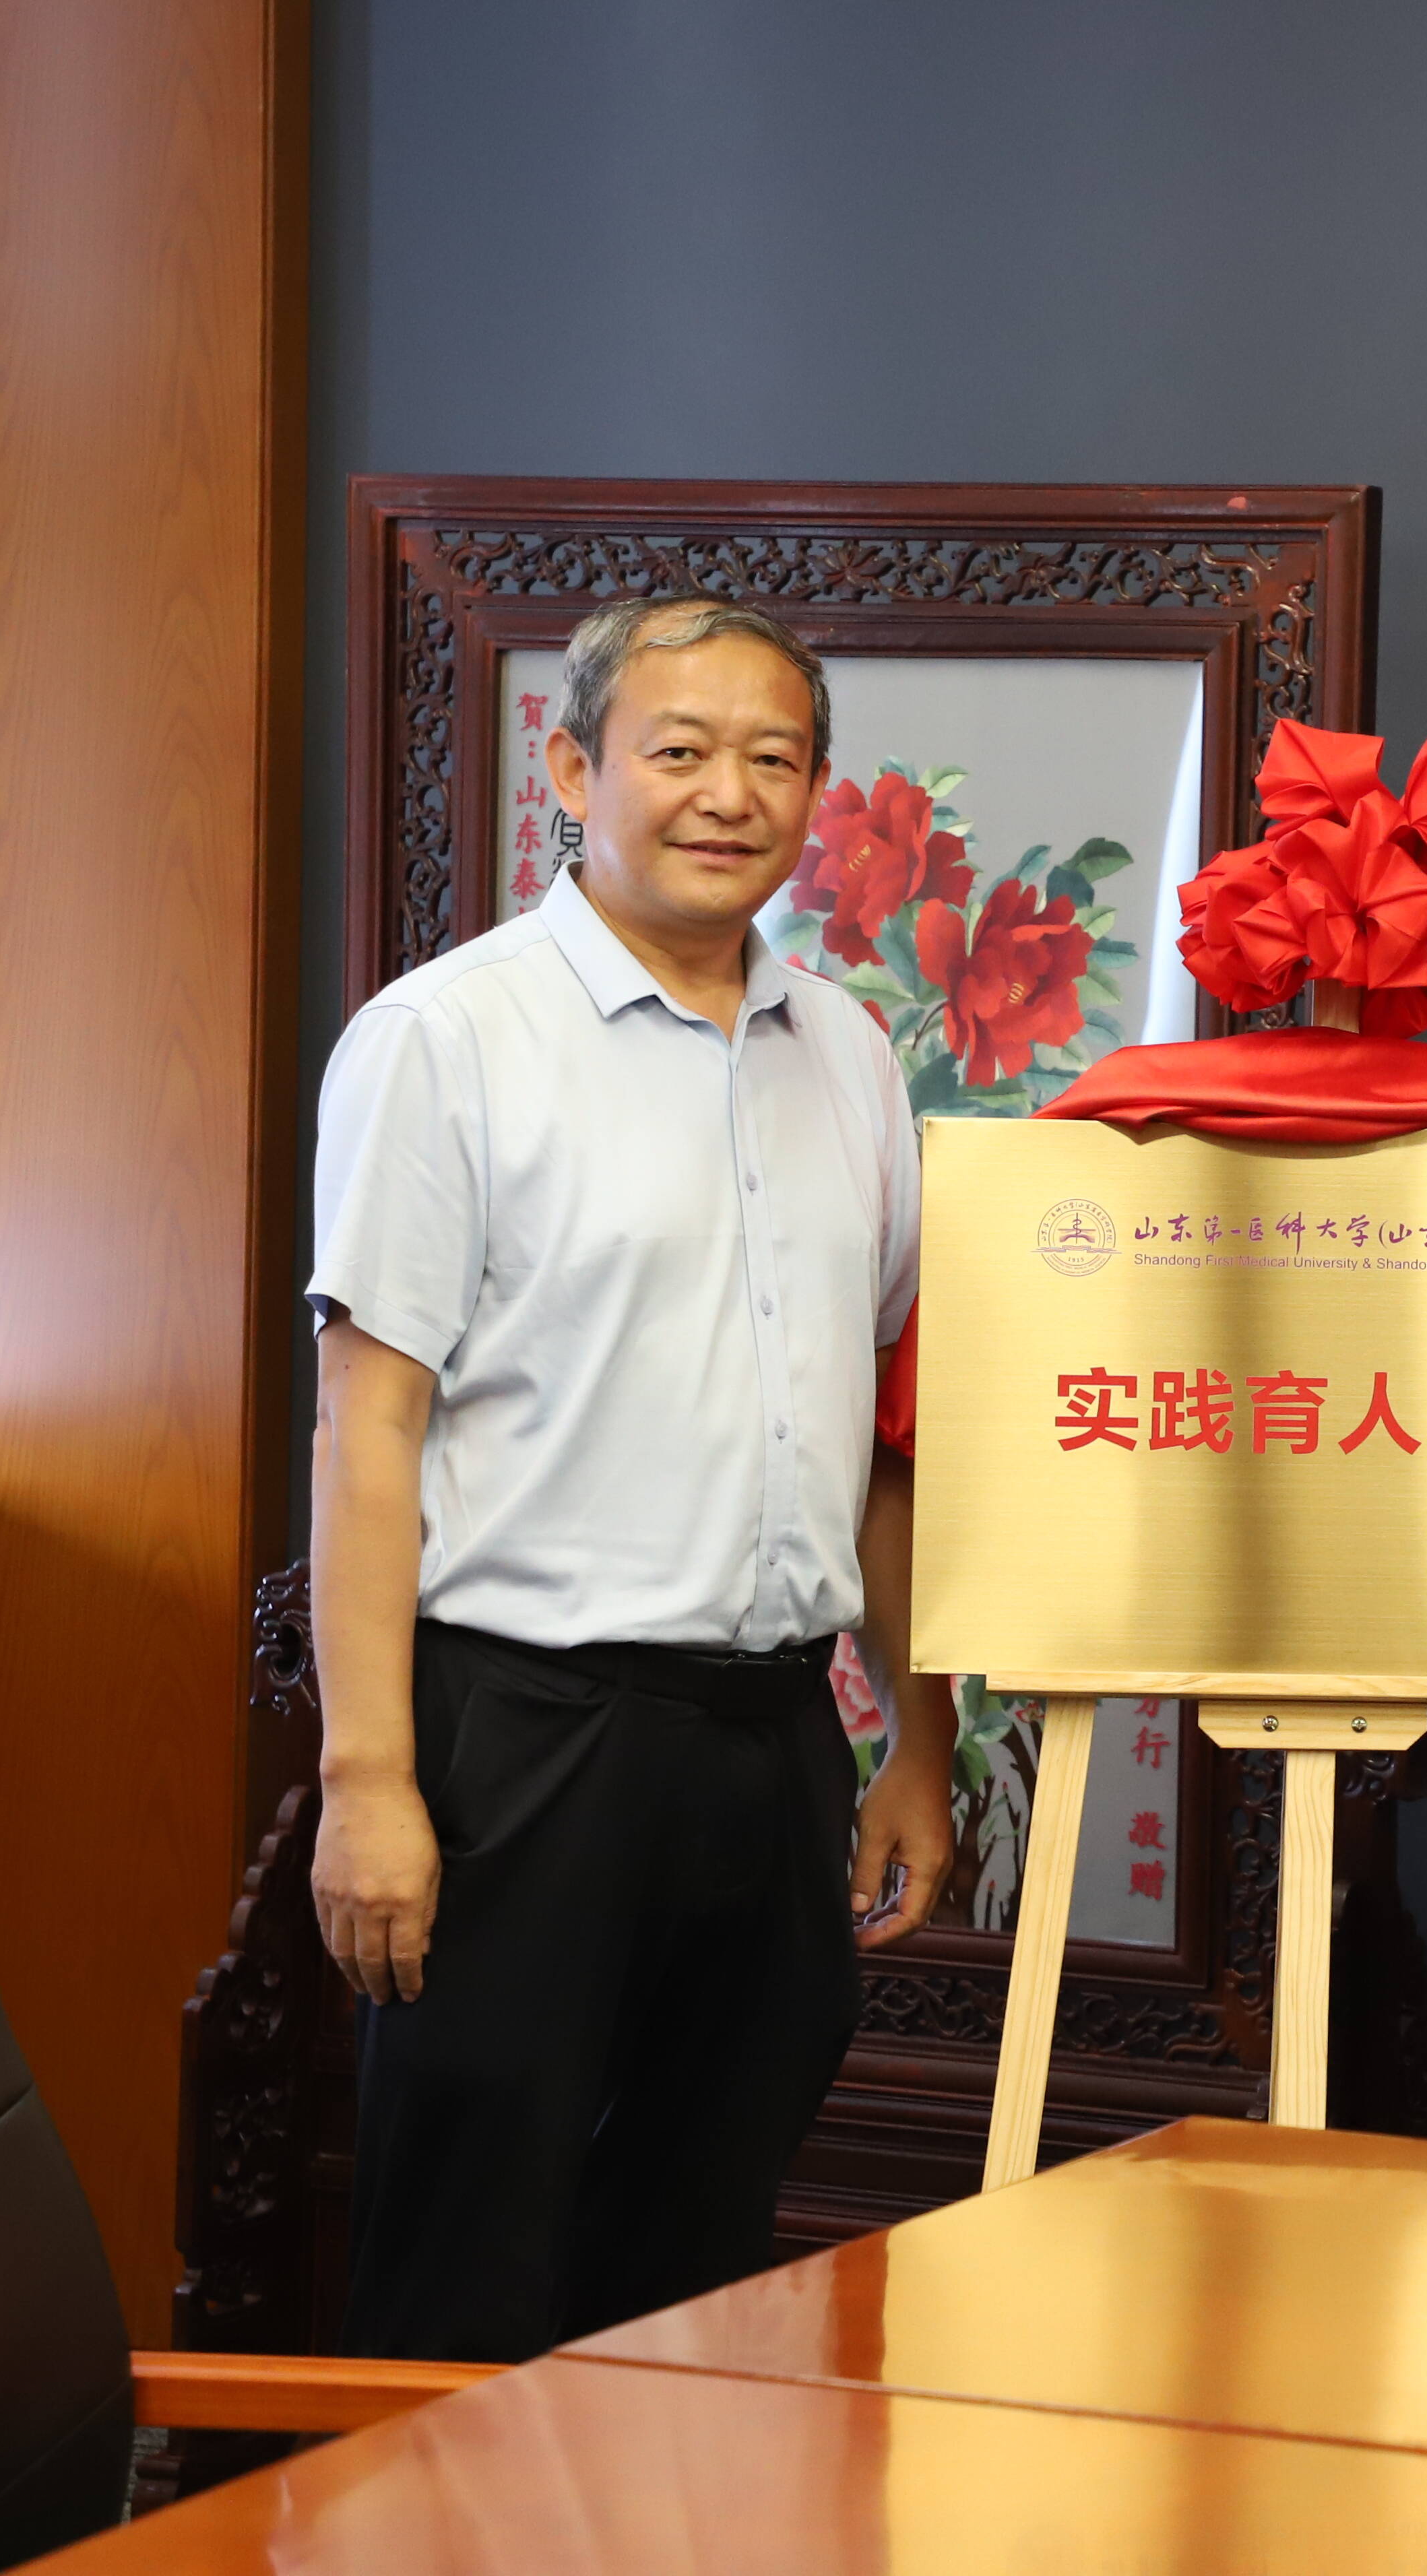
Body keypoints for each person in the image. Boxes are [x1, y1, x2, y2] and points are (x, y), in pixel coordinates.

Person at [300, 589, 955, 2360]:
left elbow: (881, 1446)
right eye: (679, 750)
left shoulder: (851, 1056)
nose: (728, 794)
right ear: (574, 769)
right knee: (468, 2265)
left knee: (699, 2268)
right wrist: (369, 1781)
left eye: (774, 758)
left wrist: (918, 1737)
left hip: (773, 1745)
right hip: (524, 1743)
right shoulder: (449, 1038)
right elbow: (367, 1431)